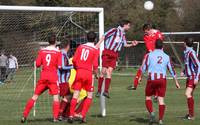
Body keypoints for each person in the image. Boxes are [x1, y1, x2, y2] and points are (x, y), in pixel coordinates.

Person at [130, 39, 180, 125]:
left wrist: (139, 77)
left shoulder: (149, 55)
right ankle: (160, 120)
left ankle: (152, 113)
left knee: (148, 97)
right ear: (162, 46)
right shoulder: (167, 56)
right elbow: (172, 70)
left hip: (152, 79)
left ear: (154, 46)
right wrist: (176, 81)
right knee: (161, 100)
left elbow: (143, 67)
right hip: (162, 80)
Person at [21, 33, 62, 123]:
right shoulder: (58, 52)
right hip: (52, 77)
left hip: (43, 76)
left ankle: (24, 115)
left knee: (34, 97)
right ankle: (55, 118)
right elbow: (59, 66)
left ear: (48, 41)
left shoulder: (42, 51)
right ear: (55, 41)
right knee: (56, 98)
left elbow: (38, 64)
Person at [97, 20, 138, 98]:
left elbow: (125, 45)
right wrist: (98, 45)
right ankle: (99, 90)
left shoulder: (123, 34)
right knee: (103, 71)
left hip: (115, 54)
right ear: (124, 25)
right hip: (107, 52)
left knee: (109, 72)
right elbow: (104, 36)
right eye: (128, 25)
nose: (129, 27)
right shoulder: (114, 30)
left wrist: (132, 44)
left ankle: (106, 91)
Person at [68, 31, 99, 123]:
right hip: (88, 74)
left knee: (76, 94)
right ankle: (82, 115)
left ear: (86, 38)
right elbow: (95, 65)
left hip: (79, 72)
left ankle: (70, 115)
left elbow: (74, 60)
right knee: (89, 95)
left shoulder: (80, 47)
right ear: (95, 39)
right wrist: (96, 74)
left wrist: (77, 68)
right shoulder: (95, 50)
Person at [133, 23, 164, 89]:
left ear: (149, 29)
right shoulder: (146, 36)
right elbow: (148, 45)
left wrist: (157, 54)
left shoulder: (158, 33)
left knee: (155, 72)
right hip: (150, 54)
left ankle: (156, 92)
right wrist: (150, 52)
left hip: (158, 54)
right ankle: (135, 84)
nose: (145, 33)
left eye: (146, 32)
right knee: (142, 67)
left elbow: (160, 44)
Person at [181, 38, 200, 120]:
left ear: (185, 43)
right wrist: (184, 71)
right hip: (189, 77)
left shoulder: (191, 53)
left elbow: (198, 65)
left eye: (183, 42)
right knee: (190, 95)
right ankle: (190, 114)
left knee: (187, 94)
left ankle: (191, 116)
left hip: (193, 77)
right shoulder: (186, 52)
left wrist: (197, 77)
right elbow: (188, 64)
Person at [58, 40, 74, 120]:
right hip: (62, 80)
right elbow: (62, 67)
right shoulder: (62, 54)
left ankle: (64, 115)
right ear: (68, 46)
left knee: (69, 96)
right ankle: (60, 114)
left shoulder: (62, 54)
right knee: (68, 97)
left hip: (64, 80)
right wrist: (73, 67)